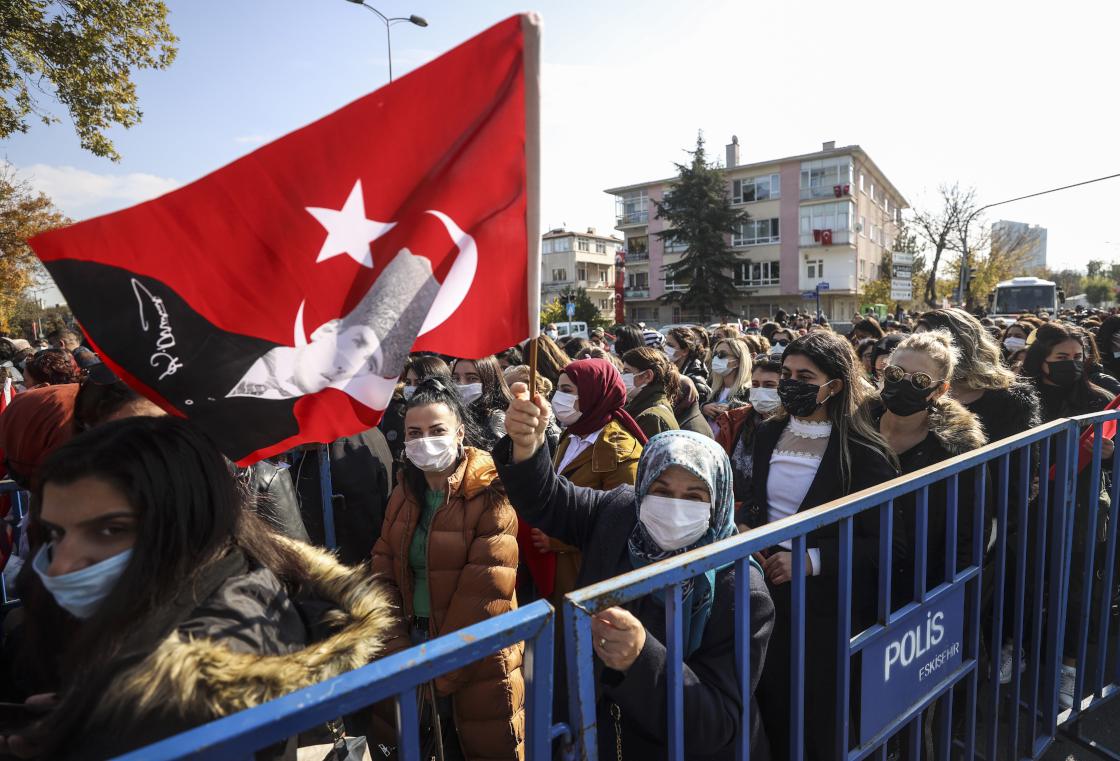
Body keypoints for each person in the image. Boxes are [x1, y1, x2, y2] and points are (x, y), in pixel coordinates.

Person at [0, 416, 395, 759]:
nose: (63, 563)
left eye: (109, 530)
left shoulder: (189, 681)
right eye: (56, 533)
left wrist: (105, 722)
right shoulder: (231, 577)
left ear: (184, 521)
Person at [499, 391, 776, 761]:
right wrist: (527, 446)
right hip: (594, 732)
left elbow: (718, 722)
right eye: (662, 490)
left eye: (694, 496)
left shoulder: (740, 590)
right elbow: (549, 501)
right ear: (643, 488)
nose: (674, 505)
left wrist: (641, 656)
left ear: (719, 502)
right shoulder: (619, 514)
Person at [752, 331, 897, 761]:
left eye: (805, 376)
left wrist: (810, 561)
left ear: (834, 385)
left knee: (816, 714)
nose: (791, 383)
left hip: (824, 603)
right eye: (787, 374)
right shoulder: (768, 432)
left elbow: (887, 542)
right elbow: (762, 505)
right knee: (767, 701)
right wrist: (746, 528)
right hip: (763, 588)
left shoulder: (863, 449)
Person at [370, 378, 523, 760]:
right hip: (410, 647)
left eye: (436, 430)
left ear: (460, 433)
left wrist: (435, 676)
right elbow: (382, 571)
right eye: (414, 433)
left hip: (475, 658)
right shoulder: (404, 492)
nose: (425, 441)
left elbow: (485, 593)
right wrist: (398, 650)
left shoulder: (491, 492)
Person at [71, 365, 310, 544]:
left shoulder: (257, 479)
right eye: (116, 438)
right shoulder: (67, 498)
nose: (141, 450)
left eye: (157, 431)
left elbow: (299, 572)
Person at [1021, 322, 1116, 707]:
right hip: (1029, 508)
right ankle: (1014, 645)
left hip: (1082, 510)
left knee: (1077, 590)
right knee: (1024, 579)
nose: (1071, 363)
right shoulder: (1020, 398)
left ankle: (1069, 665)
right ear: (1042, 359)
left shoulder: (1101, 401)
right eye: (1062, 357)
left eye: (1078, 357)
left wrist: (1109, 455)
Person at [872, 331, 990, 607]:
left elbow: (969, 535)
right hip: (855, 583)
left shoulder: (958, 449)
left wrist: (950, 599)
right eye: (895, 374)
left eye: (920, 380)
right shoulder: (855, 429)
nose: (904, 384)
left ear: (940, 390)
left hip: (923, 589)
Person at [537, 358, 645, 605]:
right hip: (558, 571)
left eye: (567, 390)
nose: (558, 397)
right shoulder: (571, 435)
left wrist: (555, 539)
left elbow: (622, 521)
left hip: (588, 576)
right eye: (558, 389)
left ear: (593, 394)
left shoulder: (619, 450)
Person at [713, 359, 783, 529]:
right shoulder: (734, 421)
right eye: (755, 384)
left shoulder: (791, 428)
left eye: (769, 385)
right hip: (729, 511)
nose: (760, 390)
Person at [381, 354, 453, 465]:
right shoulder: (396, 412)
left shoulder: (452, 415)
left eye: (418, 382)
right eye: (408, 383)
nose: (411, 388)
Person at [451, 355, 514, 448]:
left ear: (489, 380)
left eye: (472, 378)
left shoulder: (496, 419)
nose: (461, 384)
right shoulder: (450, 413)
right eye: (456, 379)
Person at [621, 348, 681, 439]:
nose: (621, 376)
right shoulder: (649, 405)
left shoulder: (651, 417)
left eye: (627, 371)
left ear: (648, 376)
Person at [703, 337, 752, 429]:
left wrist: (732, 409)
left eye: (722, 354)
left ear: (737, 362)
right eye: (715, 354)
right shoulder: (711, 388)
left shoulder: (749, 392)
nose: (716, 358)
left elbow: (751, 413)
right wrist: (704, 408)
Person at [665, 327, 712, 406]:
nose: (665, 348)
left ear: (685, 351)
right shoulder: (669, 368)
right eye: (665, 344)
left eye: (670, 345)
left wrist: (703, 407)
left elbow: (699, 403)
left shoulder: (695, 375)